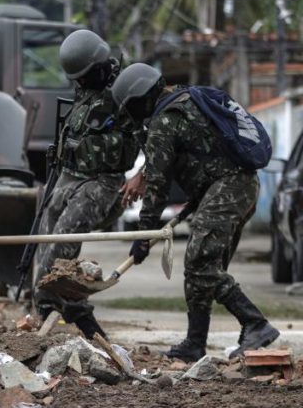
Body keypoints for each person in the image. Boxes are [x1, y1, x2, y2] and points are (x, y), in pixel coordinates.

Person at [111, 62, 279, 361]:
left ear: (141, 100)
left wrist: (144, 237)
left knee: (201, 264)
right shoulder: (186, 101)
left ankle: (256, 323)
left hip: (229, 187)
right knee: (201, 268)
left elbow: (157, 187)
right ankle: (195, 343)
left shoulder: (164, 120)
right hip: (237, 186)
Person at [33, 29, 142, 338]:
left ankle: (44, 308)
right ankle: (76, 312)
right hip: (70, 174)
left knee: (62, 244)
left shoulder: (127, 88)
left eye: (83, 77)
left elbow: (160, 136)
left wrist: (142, 176)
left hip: (103, 180)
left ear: (99, 67)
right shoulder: (86, 87)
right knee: (43, 243)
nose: (79, 84)